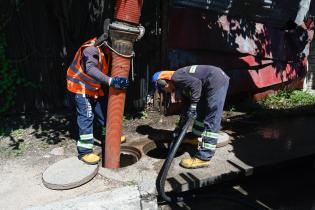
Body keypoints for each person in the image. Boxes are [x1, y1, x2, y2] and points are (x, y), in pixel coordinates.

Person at [152, 65, 229, 169]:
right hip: (208, 83)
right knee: (200, 111)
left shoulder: (176, 77)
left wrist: (193, 106)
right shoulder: (180, 84)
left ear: (164, 82)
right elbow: (186, 106)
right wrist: (180, 126)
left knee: (211, 117)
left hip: (216, 81)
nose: (166, 92)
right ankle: (195, 137)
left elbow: (196, 84)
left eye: (163, 90)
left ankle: (204, 157)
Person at [67, 36, 128, 165]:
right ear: (106, 44)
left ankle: (108, 136)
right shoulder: (91, 50)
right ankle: (85, 151)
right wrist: (111, 81)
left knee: (102, 112)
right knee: (86, 117)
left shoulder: (103, 51)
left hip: (92, 88)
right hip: (80, 87)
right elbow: (90, 69)